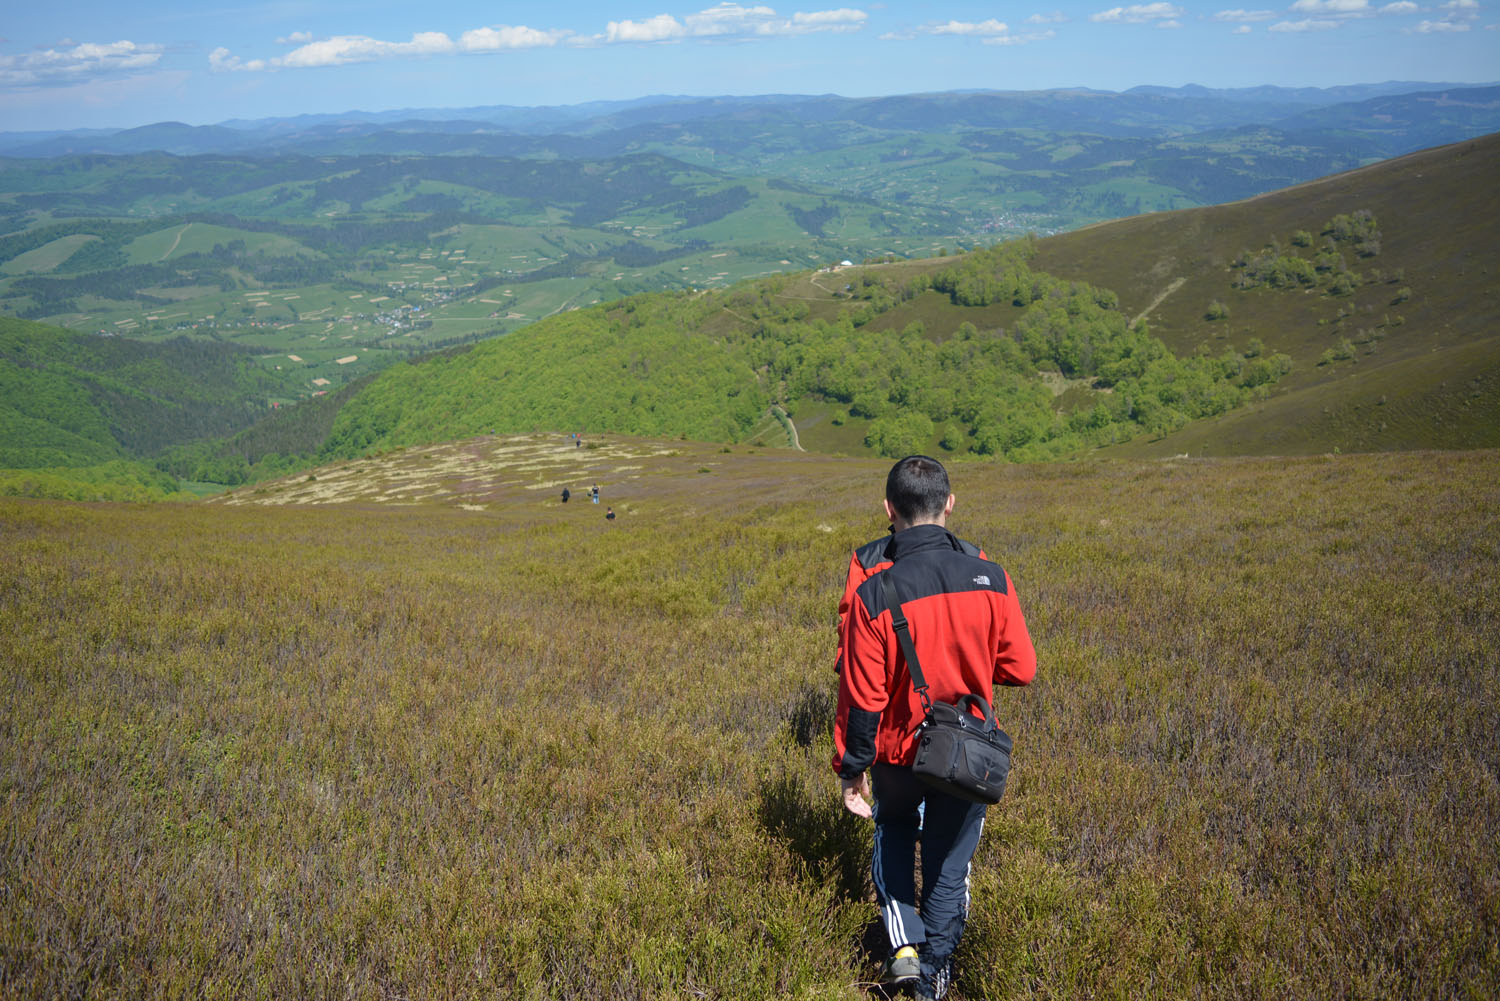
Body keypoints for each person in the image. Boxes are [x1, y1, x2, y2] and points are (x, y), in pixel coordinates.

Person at [832, 455, 1036, 1000]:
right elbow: (1021, 669)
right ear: (950, 503)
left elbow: (863, 698)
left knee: (894, 831)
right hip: (967, 751)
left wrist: (852, 771)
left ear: (889, 510)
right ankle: (937, 975)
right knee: (948, 865)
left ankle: (903, 950)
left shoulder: (874, 592)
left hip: (898, 754)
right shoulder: (990, 576)